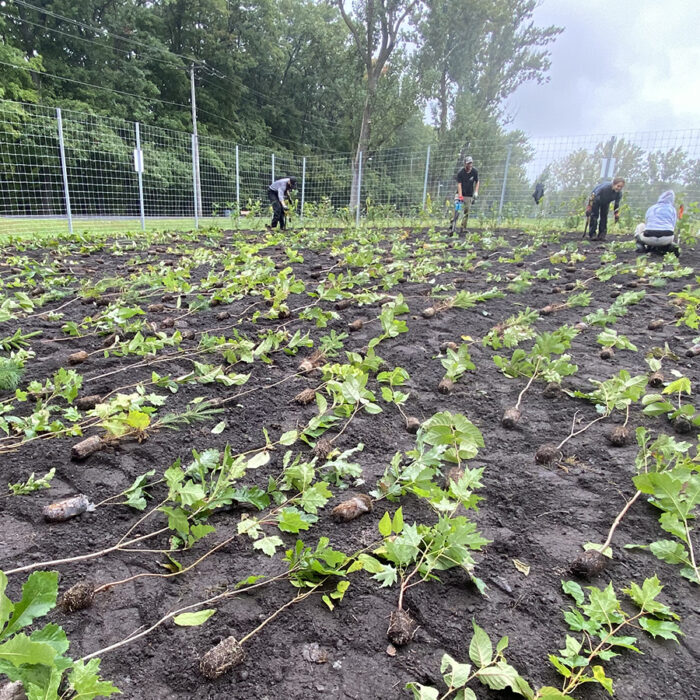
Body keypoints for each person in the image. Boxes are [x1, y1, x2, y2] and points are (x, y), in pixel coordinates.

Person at [634, 190, 680, 256]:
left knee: (641, 226)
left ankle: (640, 246)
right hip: (667, 239)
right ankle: (664, 247)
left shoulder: (652, 208)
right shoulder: (672, 209)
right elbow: (673, 225)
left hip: (649, 238)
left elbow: (647, 223)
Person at [586, 177, 625, 241]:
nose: (619, 188)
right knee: (594, 216)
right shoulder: (604, 188)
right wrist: (589, 207)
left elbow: (616, 204)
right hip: (596, 200)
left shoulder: (619, 193)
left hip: (606, 202)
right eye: (618, 186)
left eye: (621, 187)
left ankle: (602, 235)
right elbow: (593, 195)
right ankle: (592, 234)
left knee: (604, 217)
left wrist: (616, 214)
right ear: (614, 184)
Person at [455, 156, 479, 229]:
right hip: (460, 194)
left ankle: (463, 228)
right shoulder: (460, 172)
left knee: (466, 212)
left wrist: (476, 192)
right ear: (465, 164)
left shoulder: (474, 172)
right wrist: (460, 196)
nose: (470, 165)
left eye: (471, 163)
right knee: (457, 209)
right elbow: (459, 185)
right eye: (468, 163)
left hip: (469, 195)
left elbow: (477, 181)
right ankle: (452, 225)